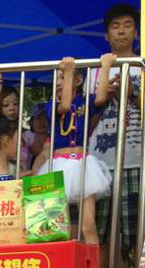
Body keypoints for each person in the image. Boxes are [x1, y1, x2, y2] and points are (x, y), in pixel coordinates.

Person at [90, 3, 142, 268]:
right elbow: (85, 115)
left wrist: (131, 92)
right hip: (100, 162)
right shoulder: (95, 68)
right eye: (115, 26)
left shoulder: (142, 66)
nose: (121, 31)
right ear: (107, 34)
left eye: (127, 25)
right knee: (101, 235)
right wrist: (105, 92)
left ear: (136, 31)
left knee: (134, 235)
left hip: (135, 159)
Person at [36, 54, 115, 249]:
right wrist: (69, 71)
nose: (58, 83)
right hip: (58, 164)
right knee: (57, 226)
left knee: (88, 225)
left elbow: (101, 97)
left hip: (83, 165)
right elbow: (64, 106)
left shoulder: (85, 102)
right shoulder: (51, 105)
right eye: (57, 78)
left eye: (63, 78)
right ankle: (60, 265)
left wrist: (105, 66)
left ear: (78, 80)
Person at [21, 102, 48, 170]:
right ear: (31, 122)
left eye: (45, 118)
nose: (42, 122)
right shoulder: (25, 137)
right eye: (38, 118)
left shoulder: (55, 138)